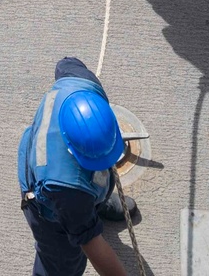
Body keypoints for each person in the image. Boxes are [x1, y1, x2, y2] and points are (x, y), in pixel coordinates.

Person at [19, 57, 134, 276]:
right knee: (61, 263)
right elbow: (93, 246)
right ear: (72, 150)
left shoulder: (79, 82)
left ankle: (95, 206)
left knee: (85, 198)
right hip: (47, 204)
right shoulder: (68, 190)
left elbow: (66, 63)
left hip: (69, 186)